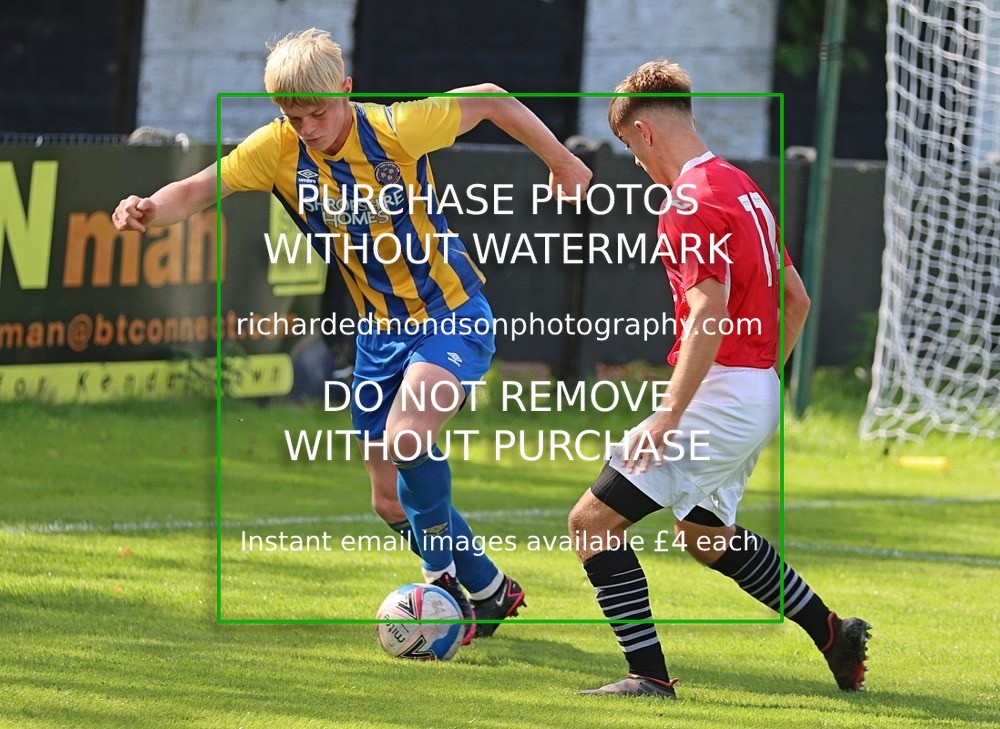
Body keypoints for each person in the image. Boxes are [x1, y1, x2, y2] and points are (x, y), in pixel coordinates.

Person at [113, 28, 592, 641]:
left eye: (317, 112)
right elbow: (198, 190)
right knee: (389, 502)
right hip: (377, 336)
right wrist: (149, 209)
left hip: (450, 316)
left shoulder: (396, 130)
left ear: (345, 90)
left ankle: (441, 583)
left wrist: (563, 160)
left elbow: (495, 98)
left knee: (407, 437)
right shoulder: (277, 149)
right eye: (292, 115)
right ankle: (492, 588)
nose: (307, 127)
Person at [568, 60, 870, 697]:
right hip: (754, 387)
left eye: (629, 147)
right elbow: (797, 300)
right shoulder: (742, 187)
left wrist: (672, 412)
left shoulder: (689, 199)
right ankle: (833, 634)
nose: (637, 163)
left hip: (721, 391)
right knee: (706, 540)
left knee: (592, 522)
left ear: (645, 132)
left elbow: (708, 309)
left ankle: (647, 677)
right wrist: (763, 380)